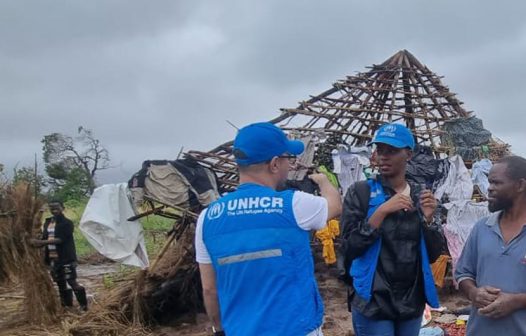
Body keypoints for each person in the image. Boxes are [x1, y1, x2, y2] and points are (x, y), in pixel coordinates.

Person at [195, 122, 342, 336]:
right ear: (274, 164)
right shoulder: (293, 205)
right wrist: (322, 181)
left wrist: (219, 329)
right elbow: (335, 205)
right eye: (287, 159)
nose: (290, 165)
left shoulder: (208, 217)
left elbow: (209, 289)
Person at [340, 123, 443, 336]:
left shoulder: (421, 196)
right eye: (380, 150)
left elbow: (433, 255)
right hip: (373, 299)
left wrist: (429, 219)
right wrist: (379, 213)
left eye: (392, 151)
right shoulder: (361, 192)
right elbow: (349, 248)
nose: (383, 157)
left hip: (411, 299)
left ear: (409, 154)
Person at [455, 155, 526, 335]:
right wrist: (473, 293)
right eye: (489, 182)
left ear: (520, 185)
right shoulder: (482, 228)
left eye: (496, 183)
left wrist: (517, 301)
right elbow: (463, 273)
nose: (490, 189)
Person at [31, 200, 88, 311]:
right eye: (52, 208)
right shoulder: (48, 222)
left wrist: (42, 243)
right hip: (53, 259)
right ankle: (67, 307)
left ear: (63, 208)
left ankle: (84, 306)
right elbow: (45, 238)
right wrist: (35, 243)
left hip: (66, 259)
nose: (54, 210)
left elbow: (60, 240)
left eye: (57, 207)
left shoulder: (67, 223)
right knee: (60, 283)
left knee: (72, 282)